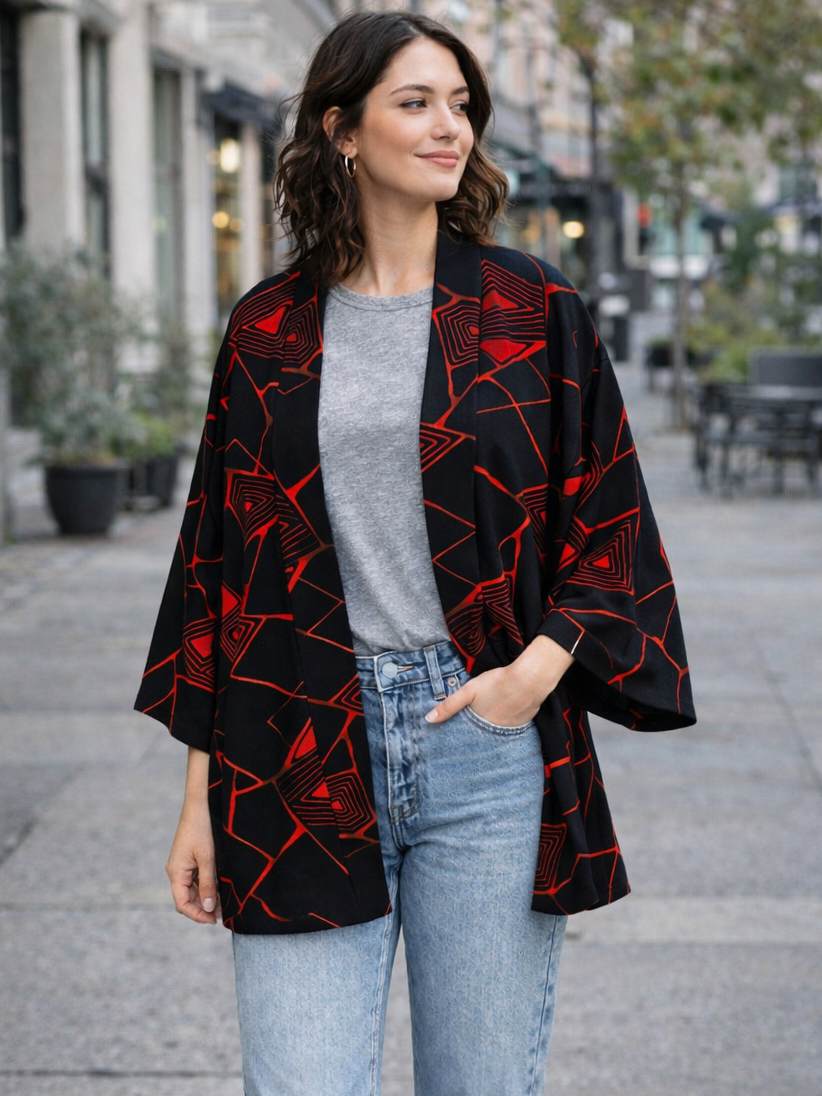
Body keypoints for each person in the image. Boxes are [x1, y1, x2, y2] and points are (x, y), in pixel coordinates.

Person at [136, 10, 695, 1096]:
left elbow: (612, 519)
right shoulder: (266, 329)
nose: (453, 127)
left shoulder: (535, 311)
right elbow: (218, 570)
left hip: (481, 747)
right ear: (342, 129)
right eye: (417, 102)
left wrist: (529, 678)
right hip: (295, 733)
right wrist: (199, 794)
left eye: (461, 103)